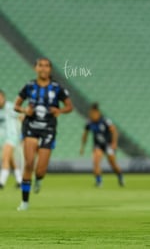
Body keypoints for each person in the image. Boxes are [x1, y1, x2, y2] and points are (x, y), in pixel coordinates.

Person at [14, 58, 73, 211]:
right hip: (30, 127)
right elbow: (17, 105)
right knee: (28, 163)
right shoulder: (29, 86)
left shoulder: (56, 88)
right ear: (36, 68)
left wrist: (59, 111)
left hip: (48, 129)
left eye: (47, 66)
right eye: (41, 65)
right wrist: (25, 111)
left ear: (50, 69)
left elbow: (69, 106)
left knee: (40, 170)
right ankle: (24, 202)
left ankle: (38, 179)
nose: (44, 68)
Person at [80, 103, 124, 187]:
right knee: (96, 161)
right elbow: (85, 134)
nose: (91, 115)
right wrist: (82, 147)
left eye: (92, 113)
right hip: (98, 145)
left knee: (112, 163)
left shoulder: (105, 121)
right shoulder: (89, 122)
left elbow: (114, 131)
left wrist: (114, 143)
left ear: (97, 113)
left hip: (108, 144)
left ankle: (120, 175)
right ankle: (99, 181)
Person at [0, 90, 22, 189]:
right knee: (10, 159)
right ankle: (19, 180)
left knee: (5, 157)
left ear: (4, 97)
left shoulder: (10, 107)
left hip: (11, 136)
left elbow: (21, 116)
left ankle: (1, 182)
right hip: (2, 138)